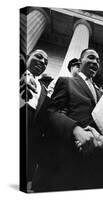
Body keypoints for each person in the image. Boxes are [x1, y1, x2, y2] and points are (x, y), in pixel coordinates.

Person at [32, 48, 103, 192]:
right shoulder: (66, 82)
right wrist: (75, 129)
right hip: (72, 158)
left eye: (98, 61)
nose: (95, 62)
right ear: (80, 62)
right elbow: (51, 112)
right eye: (91, 58)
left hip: (102, 164)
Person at [20, 49, 49, 192]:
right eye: (38, 57)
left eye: (46, 62)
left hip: (33, 136)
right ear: (27, 57)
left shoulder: (44, 89)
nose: (43, 62)